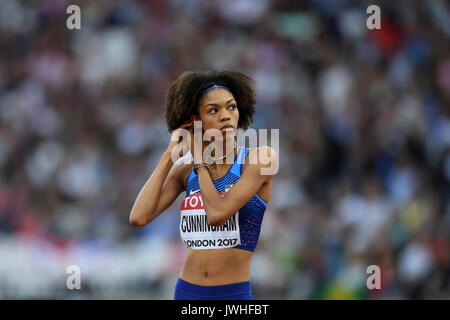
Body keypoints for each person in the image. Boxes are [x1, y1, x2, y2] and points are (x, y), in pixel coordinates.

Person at [129, 70, 277, 300]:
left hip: (232, 295)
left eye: (231, 107)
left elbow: (217, 214)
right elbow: (138, 217)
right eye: (213, 110)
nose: (226, 116)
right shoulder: (186, 170)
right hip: (188, 292)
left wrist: (200, 162)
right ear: (195, 121)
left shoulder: (260, 159)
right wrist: (169, 156)